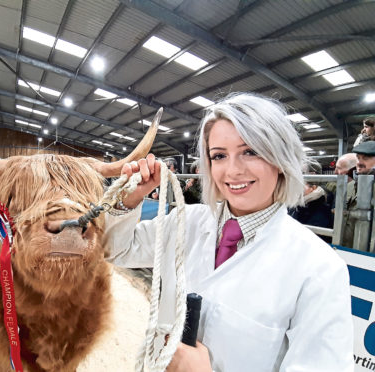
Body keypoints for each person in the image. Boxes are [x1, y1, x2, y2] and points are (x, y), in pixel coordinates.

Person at [104, 93, 353, 371]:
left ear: (281, 159)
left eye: (251, 151)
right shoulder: (187, 221)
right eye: (219, 156)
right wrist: (130, 199)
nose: (233, 170)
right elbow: (115, 250)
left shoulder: (319, 270)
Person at [342, 141, 375, 248]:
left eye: (365, 158)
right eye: (358, 158)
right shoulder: (349, 186)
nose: (359, 163)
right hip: (347, 248)